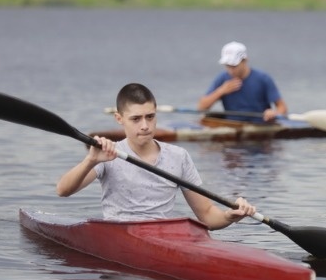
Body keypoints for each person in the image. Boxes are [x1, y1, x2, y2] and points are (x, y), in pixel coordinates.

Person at [57, 83, 256, 229]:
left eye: (150, 117)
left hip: (162, 239)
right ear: (119, 119)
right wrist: (90, 160)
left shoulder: (179, 156)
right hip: (119, 237)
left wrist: (230, 215)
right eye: (136, 119)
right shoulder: (108, 155)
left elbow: (207, 216)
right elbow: (63, 191)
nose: (145, 125)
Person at [198, 41, 287, 122]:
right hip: (233, 125)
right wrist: (221, 91)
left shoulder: (263, 78)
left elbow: (282, 108)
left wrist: (274, 113)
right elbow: (201, 107)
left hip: (260, 125)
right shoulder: (222, 79)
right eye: (227, 66)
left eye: (234, 66)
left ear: (245, 60)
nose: (231, 70)